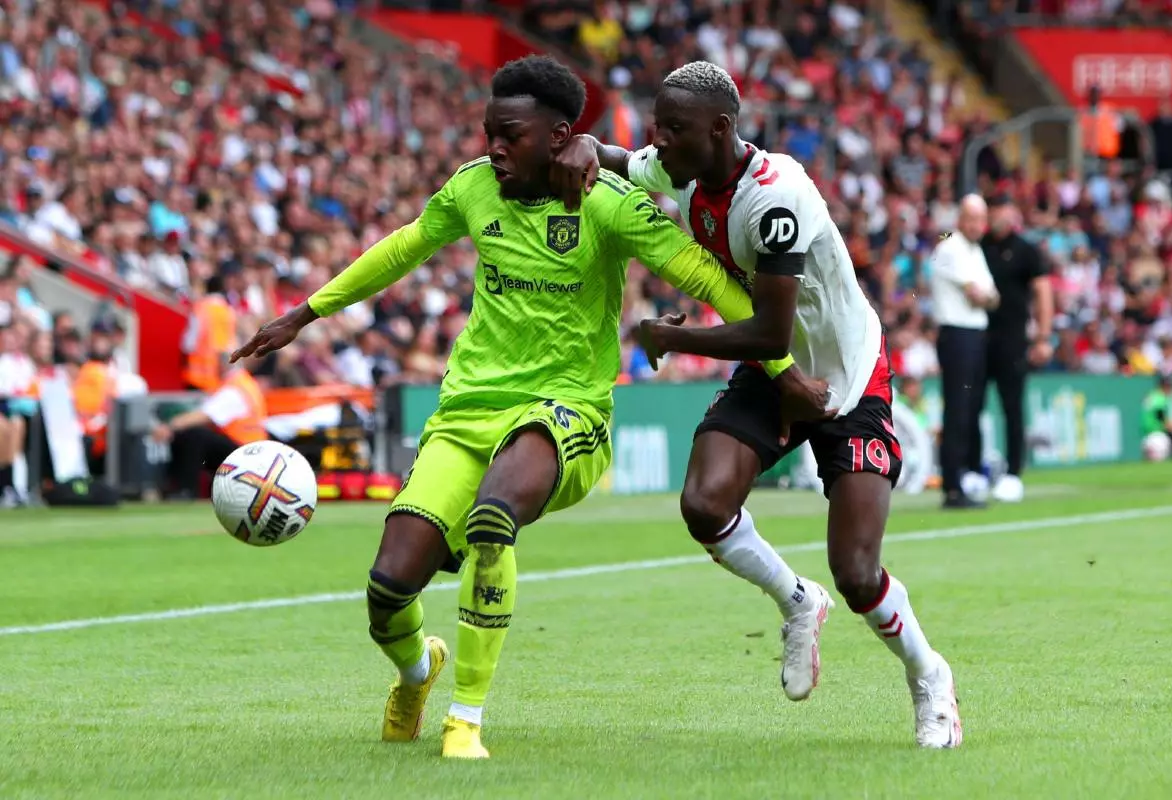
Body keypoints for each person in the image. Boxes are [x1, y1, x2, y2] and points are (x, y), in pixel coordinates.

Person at [231, 55, 794, 761]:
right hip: (468, 412)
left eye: (511, 136)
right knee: (387, 588)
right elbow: (402, 247)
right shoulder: (472, 189)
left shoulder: (607, 204)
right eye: (488, 133)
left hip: (566, 413)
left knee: (494, 518)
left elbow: (707, 277)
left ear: (560, 136)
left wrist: (783, 366)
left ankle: (465, 719)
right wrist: (304, 315)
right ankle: (418, 670)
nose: (493, 148)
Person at [550, 60, 962, 748]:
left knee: (858, 573)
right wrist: (593, 145)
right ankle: (796, 601)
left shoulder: (773, 200)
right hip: (776, 371)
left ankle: (930, 676)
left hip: (844, 377)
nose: (662, 142)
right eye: (659, 128)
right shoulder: (690, 162)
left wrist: (675, 336)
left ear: (721, 129)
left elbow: (769, 331)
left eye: (673, 130)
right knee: (705, 504)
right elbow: (630, 162)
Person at [972, 199, 1052, 503]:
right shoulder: (977, 246)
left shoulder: (1025, 249)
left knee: (1012, 408)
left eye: (1002, 210)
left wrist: (1043, 337)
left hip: (1012, 339)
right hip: (978, 338)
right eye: (992, 212)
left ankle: (1013, 473)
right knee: (973, 406)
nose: (997, 217)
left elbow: (1043, 292)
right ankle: (974, 471)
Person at [929, 195, 998, 510]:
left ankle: (966, 477)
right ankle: (952, 486)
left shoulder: (975, 250)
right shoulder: (951, 248)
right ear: (960, 219)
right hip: (957, 333)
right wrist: (984, 297)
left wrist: (985, 297)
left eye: (981, 219)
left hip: (975, 333)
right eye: (971, 218)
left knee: (971, 408)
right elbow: (977, 295)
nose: (977, 225)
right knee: (957, 410)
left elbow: (992, 297)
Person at [152, 357, 269, 498]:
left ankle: (186, 490)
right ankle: (177, 487)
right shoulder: (244, 383)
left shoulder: (234, 388)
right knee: (197, 435)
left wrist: (170, 426)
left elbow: (206, 415)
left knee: (194, 435)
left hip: (244, 451)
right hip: (250, 449)